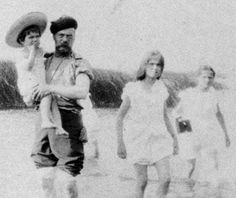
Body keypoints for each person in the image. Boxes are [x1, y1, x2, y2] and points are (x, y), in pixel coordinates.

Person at [30, 15, 93, 198]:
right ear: (54, 37)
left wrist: (48, 88)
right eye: (61, 36)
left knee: (67, 183)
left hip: (68, 121)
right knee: (45, 180)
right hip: (43, 121)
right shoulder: (44, 60)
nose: (65, 39)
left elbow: (82, 91)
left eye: (70, 36)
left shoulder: (79, 62)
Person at [116, 50, 178, 198]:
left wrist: (175, 138)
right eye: (151, 64)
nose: (155, 67)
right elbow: (119, 117)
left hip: (159, 138)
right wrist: (120, 143)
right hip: (138, 139)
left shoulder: (161, 88)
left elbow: (164, 116)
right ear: (144, 65)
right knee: (142, 181)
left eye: (159, 65)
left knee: (166, 179)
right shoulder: (133, 88)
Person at [5, 12, 66, 133]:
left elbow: (44, 58)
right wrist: (33, 52)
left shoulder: (40, 51)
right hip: (29, 87)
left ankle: (59, 127)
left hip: (40, 84)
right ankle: (45, 120)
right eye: (31, 37)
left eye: (37, 36)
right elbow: (28, 66)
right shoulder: (21, 54)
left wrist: (52, 55)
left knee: (53, 100)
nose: (35, 39)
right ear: (22, 41)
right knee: (47, 94)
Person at [174, 65, 230, 183]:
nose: (207, 80)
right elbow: (176, 113)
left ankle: (212, 192)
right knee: (190, 166)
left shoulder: (213, 94)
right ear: (198, 78)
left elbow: (219, 114)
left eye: (210, 77)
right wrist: (184, 133)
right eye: (204, 77)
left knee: (213, 165)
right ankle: (184, 192)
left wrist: (226, 134)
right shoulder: (189, 94)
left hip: (208, 133)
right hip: (190, 134)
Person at [80, 93, 100, 159]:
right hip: (87, 115)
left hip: (86, 116)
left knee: (90, 136)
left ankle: (96, 155)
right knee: (91, 136)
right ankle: (95, 155)